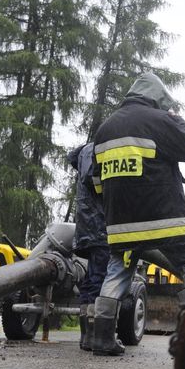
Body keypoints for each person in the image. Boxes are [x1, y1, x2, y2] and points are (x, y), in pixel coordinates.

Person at [91, 72, 185, 356]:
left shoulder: (104, 129)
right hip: (164, 219)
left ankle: (102, 337)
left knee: (117, 272)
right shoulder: (160, 120)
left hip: (121, 226)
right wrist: (176, 117)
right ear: (157, 98)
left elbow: (95, 182)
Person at [67, 142, 108, 352]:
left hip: (86, 226)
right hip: (98, 225)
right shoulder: (95, 150)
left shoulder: (84, 152)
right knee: (98, 278)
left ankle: (87, 335)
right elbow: (94, 180)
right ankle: (94, 335)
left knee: (91, 279)